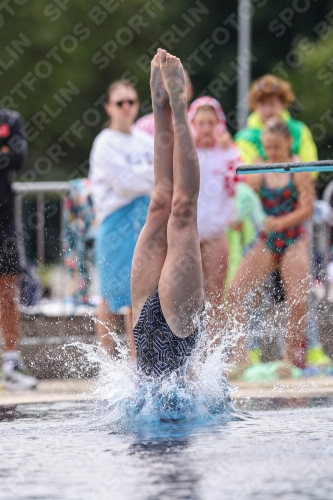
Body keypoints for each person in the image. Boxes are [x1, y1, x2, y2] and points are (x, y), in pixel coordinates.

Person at [131, 49, 204, 378]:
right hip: (178, 333)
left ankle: (168, 105)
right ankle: (173, 105)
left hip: (148, 332)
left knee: (167, 203)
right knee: (178, 209)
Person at [228, 118, 314, 376]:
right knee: (234, 292)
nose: (272, 152)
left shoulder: (299, 168)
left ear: (288, 142)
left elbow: (307, 208)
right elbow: (239, 192)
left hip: (293, 239)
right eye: (267, 147)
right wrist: (237, 217)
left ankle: (289, 359)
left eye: (276, 147)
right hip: (267, 240)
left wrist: (281, 222)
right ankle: (240, 355)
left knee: (297, 301)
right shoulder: (258, 167)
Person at [89, 80, 154, 359]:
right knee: (111, 293)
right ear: (109, 108)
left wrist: (143, 175)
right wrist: (150, 174)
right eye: (120, 102)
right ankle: (107, 360)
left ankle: (135, 360)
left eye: (131, 101)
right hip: (115, 223)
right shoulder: (104, 142)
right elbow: (124, 184)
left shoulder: (145, 140)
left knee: (139, 293)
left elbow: (153, 175)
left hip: (143, 220)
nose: (126, 107)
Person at [187, 96, 241, 332]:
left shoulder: (229, 153)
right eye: (202, 123)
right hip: (189, 233)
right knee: (187, 295)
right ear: (194, 124)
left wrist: (229, 152)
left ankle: (215, 349)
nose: (207, 128)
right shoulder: (186, 151)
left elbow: (240, 186)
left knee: (216, 293)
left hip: (216, 233)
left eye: (212, 122)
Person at [0, 108, 37, 390]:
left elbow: (18, 158)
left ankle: (11, 362)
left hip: (4, 219)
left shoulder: (10, 120)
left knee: (7, 290)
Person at [234, 74, 317, 164]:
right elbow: (246, 175)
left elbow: (312, 171)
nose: (267, 110)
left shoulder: (300, 130)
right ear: (255, 106)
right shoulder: (243, 138)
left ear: (283, 104)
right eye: (262, 104)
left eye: (272, 104)